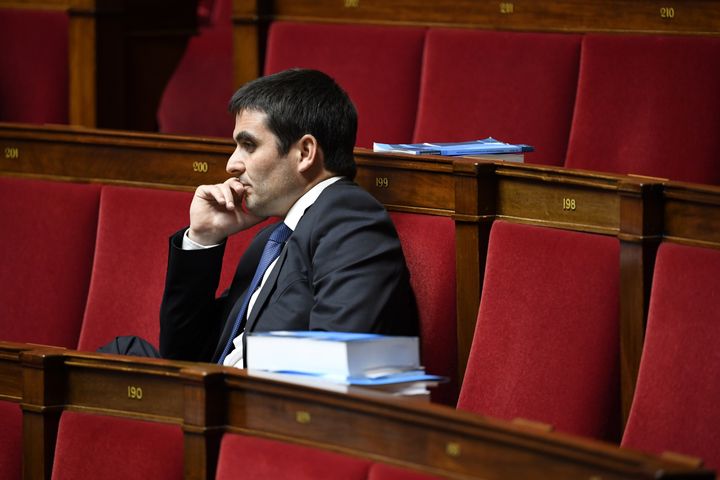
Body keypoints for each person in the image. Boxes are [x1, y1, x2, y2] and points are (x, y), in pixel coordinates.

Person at [157, 68, 418, 367]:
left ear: (305, 152)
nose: (231, 164)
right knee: (123, 354)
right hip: (216, 397)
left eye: (249, 145)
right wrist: (203, 238)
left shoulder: (351, 221)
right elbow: (183, 356)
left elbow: (339, 363)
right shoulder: (271, 239)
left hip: (266, 408)